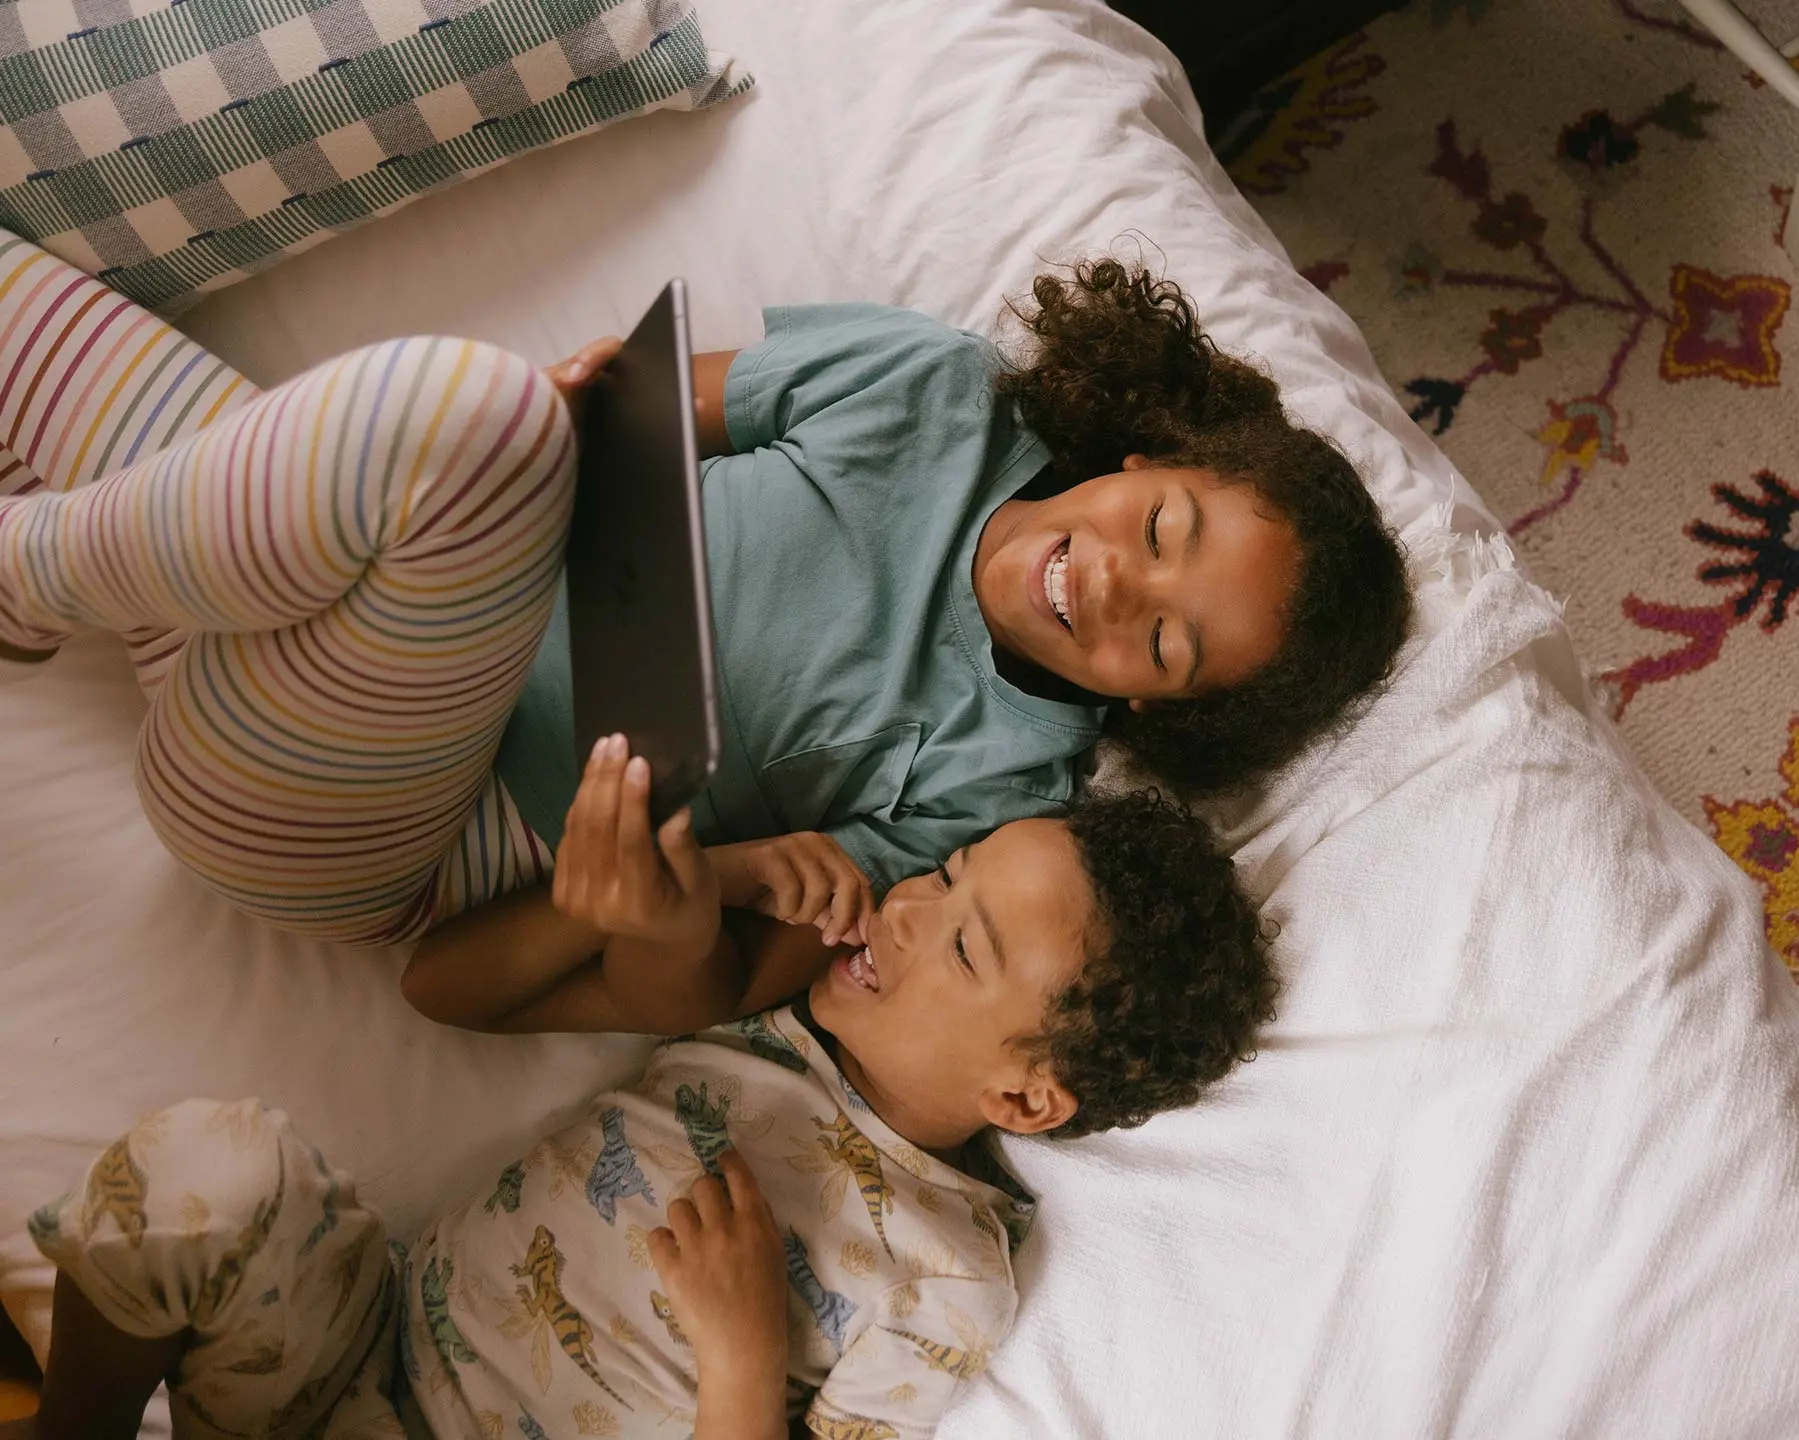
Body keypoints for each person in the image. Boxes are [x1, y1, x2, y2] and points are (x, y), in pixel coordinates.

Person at [0, 239, 1410, 964]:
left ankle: (24, 571)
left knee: (462, 412)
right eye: (1160, 527)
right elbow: (639, 403)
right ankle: (50, 570)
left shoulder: (1001, 784)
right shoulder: (938, 387)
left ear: (1155, 708)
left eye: (1165, 643)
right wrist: (582, 408)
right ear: (1150, 455)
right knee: (467, 418)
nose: (1113, 584)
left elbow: (731, 951)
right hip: (268, 586)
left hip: (378, 822)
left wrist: (711, 885)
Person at [12, 767, 1276, 1440]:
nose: (905, 906)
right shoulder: (766, 1014)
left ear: (1024, 1094)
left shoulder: (948, 1280)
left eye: (965, 945)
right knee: (215, 1164)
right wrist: (713, 876)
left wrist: (742, 1357)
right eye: (946, 874)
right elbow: (447, 983)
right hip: (354, 1351)